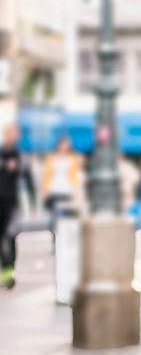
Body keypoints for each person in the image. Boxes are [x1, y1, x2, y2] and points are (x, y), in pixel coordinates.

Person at [0, 123, 35, 288]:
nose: (10, 136)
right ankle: (6, 269)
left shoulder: (21, 157)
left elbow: (29, 180)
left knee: (11, 236)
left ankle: (10, 270)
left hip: (12, 202)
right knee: (1, 237)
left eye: (13, 133)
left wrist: (33, 202)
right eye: (7, 133)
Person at [40, 135, 83, 247]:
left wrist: (76, 191)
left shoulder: (72, 158)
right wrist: (44, 190)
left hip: (67, 191)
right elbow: (47, 175)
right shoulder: (51, 158)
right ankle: (55, 241)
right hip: (54, 190)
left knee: (68, 217)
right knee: (55, 217)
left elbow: (74, 176)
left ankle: (65, 241)